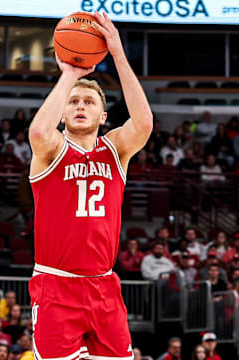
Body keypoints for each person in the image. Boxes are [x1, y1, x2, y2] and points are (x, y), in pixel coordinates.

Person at [27, 11, 153, 360]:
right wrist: (70, 75)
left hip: (104, 286)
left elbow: (143, 123)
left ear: (103, 116)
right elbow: (38, 132)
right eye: (74, 102)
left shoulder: (115, 150)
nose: (80, 106)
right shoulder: (51, 149)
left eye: (89, 102)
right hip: (56, 285)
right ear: (62, 114)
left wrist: (118, 54)